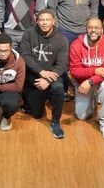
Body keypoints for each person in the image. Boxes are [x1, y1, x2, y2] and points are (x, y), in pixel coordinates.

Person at [20, 9, 68, 139]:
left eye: (47, 20)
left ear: (53, 21)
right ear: (37, 21)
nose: (44, 23)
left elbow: (62, 65)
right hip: (34, 75)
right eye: (41, 20)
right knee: (36, 114)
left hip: (52, 75)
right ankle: (32, 100)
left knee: (58, 88)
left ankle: (55, 122)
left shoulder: (62, 39)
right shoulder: (29, 33)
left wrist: (48, 80)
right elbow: (25, 56)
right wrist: (41, 72)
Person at [69, 17, 104, 140]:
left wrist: (90, 81)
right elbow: (74, 71)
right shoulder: (76, 45)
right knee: (82, 116)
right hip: (82, 81)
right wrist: (94, 70)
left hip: (100, 80)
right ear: (86, 29)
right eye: (90, 27)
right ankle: (93, 100)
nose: (93, 30)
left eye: (96, 28)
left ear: (102, 30)